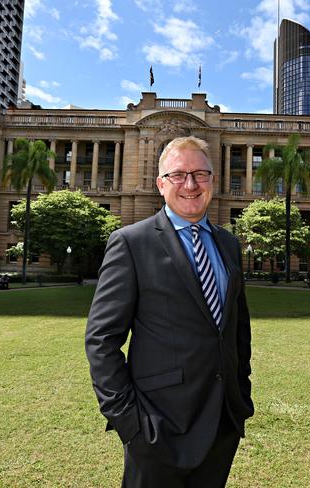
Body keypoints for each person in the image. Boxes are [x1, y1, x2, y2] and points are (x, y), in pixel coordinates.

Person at [85, 136, 253, 487]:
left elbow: (238, 330)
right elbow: (102, 340)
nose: (190, 185)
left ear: (213, 181)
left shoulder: (228, 244)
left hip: (222, 422)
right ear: (161, 184)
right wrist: (129, 423)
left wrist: (241, 396)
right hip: (157, 429)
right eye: (178, 175)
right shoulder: (132, 243)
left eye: (200, 174)